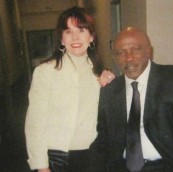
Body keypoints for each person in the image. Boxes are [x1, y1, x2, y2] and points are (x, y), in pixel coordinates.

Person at [91, 27, 173, 172]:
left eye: (136, 49)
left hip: (166, 167)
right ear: (114, 58)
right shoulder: (109, 91)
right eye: (120, 53)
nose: (128, 58)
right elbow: (103, 140)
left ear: (149, 52)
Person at [25, 6, 115, 172]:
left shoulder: (99, 72)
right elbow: (34, 124)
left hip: (93, 156)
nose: (75, 37)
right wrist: (41, 166)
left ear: (91, 37)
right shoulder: (45, 72)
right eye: (68, 31)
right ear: (61, 39)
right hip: (58, 158)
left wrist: (109, 83)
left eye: (81, 30)